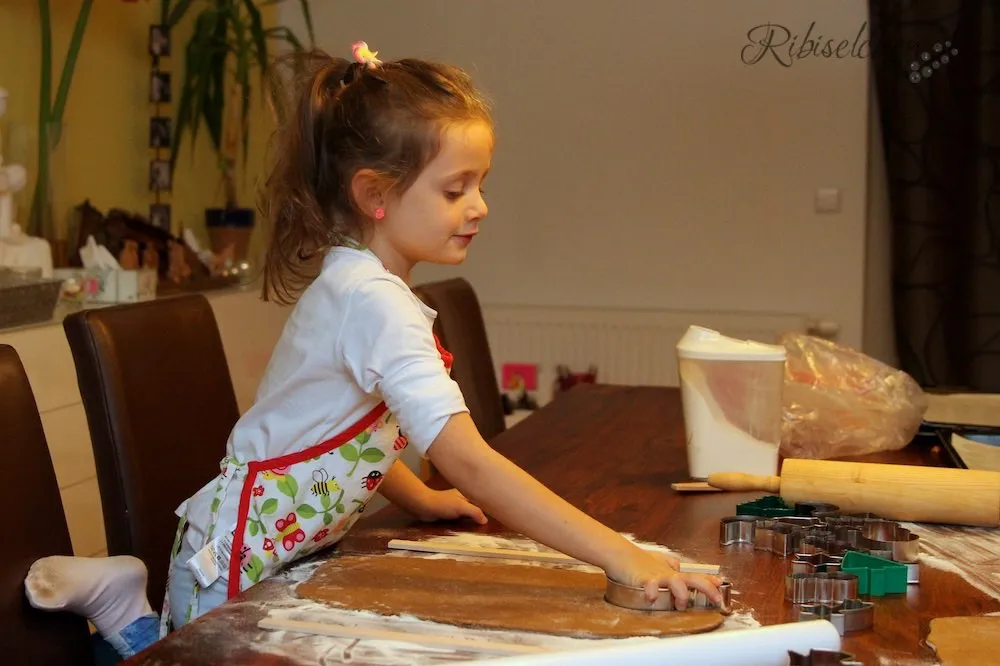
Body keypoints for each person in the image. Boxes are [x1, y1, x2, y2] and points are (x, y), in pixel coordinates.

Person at [24, 41, 725, 659]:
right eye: (457, 189)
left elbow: (334, 430)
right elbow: (469, 460)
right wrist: (623, 556)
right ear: (376, 195)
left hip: (289, 545)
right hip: (238, 558)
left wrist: (418, 495)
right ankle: (121, 606)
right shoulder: (372, 303)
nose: (479, 206)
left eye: (480, 184)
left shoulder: (364, 287)